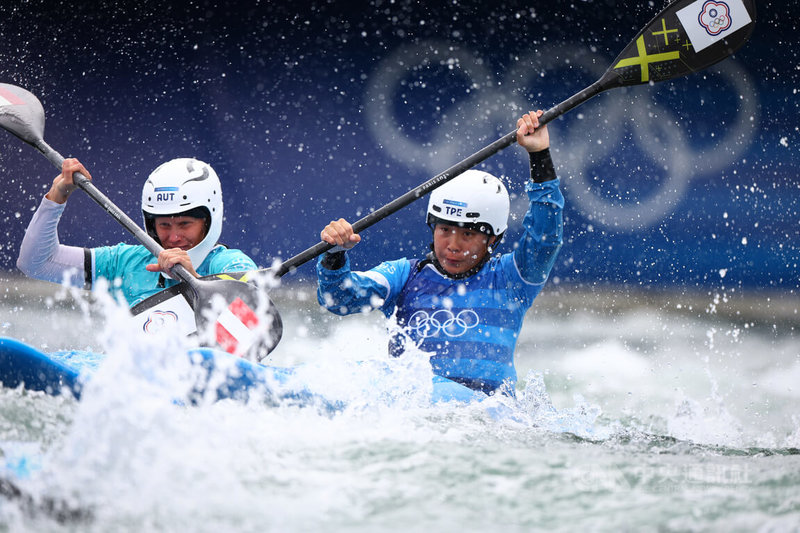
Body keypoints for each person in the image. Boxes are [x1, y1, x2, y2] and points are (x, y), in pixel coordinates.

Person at [316, 110, 563, 395]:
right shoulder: (403, 275)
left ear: (493, 238)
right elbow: (339, 300)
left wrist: (539, 155)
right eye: (444, 230)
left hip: (488, 418)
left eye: (468, 234)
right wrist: (333, 257)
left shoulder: (511, 279)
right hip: (420, 416)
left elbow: (545, 239)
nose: (453, 244)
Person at [17, 157, 256, 307]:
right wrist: (57, 196)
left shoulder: (231, 264)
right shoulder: (124, 263)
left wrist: (195, 280)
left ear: (208, 220)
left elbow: (255, 316)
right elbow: (37, 262)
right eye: (164, 225)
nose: (173, 237)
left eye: (184, 224)